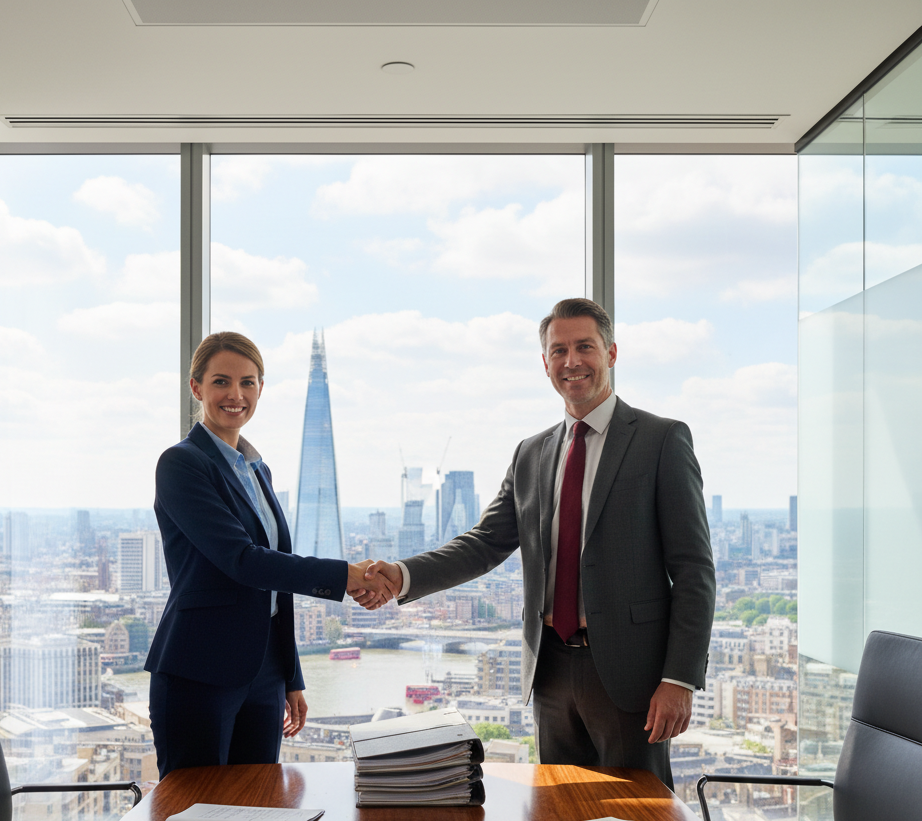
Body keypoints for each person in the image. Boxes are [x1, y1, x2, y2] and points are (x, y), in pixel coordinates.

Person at [366, 298, 715, 789]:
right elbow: (485, 543)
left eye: (584, 347)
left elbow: (695, 569)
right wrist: (403, 576)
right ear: (545, 363)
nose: (572, 361)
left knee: (641, 820)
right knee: (559, 814)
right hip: (549, 669)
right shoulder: (531, 453)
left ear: (611, 353)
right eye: (559, 350)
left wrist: (678, 679)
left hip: (630, 675)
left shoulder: (661, 440)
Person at [145, 331, 395, 778]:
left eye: (248, 382)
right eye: (221, 381)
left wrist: (290, 676)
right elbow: (243, 561)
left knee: (259, 807)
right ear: (197, 388)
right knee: (194, 815)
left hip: (264, 674)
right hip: (199, 669)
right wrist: (347, 576)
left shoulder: (257, 469)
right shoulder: (181, 464)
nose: (235, 395)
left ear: (261, 388)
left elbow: (276, 590)